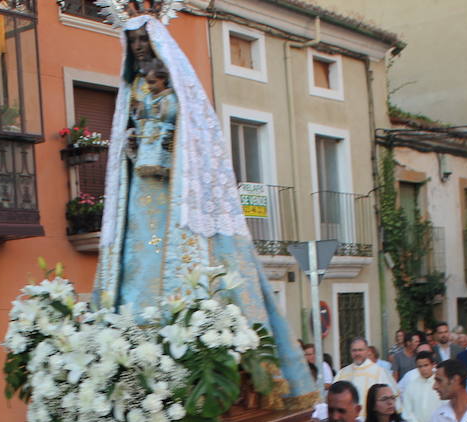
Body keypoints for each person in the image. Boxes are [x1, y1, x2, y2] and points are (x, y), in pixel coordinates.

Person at [91, 18, 311, 400]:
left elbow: (198, 142)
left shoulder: (182, 91)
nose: (140, 46)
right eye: (134, 40)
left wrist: (173, 147)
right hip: (140, 195)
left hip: (178, 196)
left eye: (145, 39)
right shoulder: (130, 91)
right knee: (136, 264)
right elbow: (124, 139)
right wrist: (129, 146)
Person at [334, 337, 397, 417]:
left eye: (360, 350)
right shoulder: (342, 373)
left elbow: (391, 399)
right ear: (350, 352)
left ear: (367, 351)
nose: (357, 353)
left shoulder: (379, 372)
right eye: (354, 350)